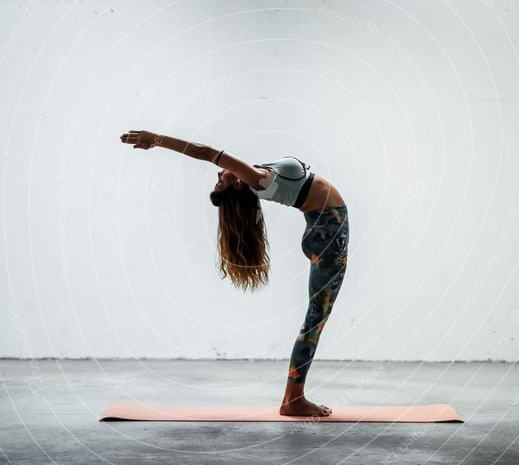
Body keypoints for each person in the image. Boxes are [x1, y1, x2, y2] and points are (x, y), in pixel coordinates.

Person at [120, 130, 349, 417]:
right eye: (220, 181)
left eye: (218, 179)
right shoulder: (257, 180)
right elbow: (205, 152)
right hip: (329, 237)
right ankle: (293, 399)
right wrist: (157, 139)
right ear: (238, 186)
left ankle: (294, 397)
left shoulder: (258, 176)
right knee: (315, 321)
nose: (219, 175)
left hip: (325, 233)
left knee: (316, 319)